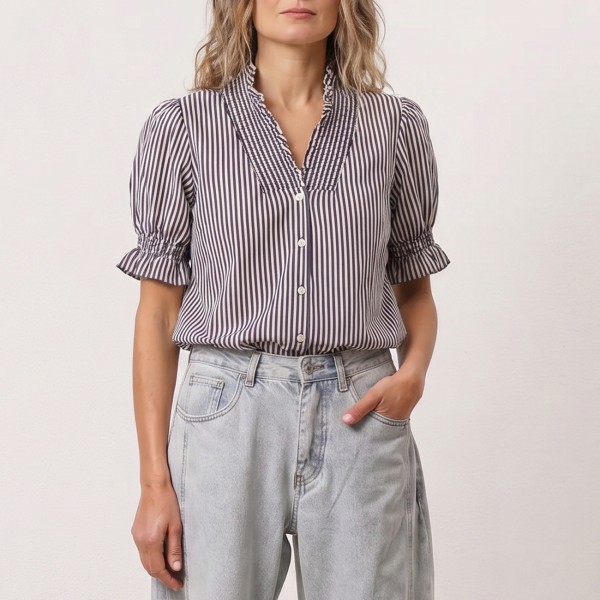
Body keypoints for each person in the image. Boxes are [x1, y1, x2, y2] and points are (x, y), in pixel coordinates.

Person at [116, 0, 450, 598]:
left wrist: (413, 374)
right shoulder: (183, 128)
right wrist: (153, 484)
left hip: (360, 410)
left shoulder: (396, 127)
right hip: (227, 417)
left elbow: (414, 286)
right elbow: (159, 311)